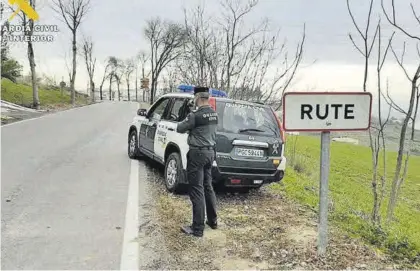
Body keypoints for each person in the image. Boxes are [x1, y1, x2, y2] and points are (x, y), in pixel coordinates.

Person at [176, 86, 219, 237]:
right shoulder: (214, 114)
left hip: (197, 154)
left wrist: (187, 113)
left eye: (194, 98)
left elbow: (180, 128)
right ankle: (213, 221)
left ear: (198, 98)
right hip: (210, 153)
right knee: (208, 187)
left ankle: (197, 228)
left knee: (197, 189)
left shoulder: (195, 115)